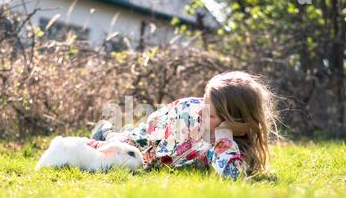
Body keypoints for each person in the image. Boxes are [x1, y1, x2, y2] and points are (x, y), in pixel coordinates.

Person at [89, 71, 278, 180]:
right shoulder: (189, 112)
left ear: (236, 122)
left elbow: (233, 176)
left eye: (210, 115)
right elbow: (154, 137)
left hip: (169, 150)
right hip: (153, 138)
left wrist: (225, 138)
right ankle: (106, 132)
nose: (201, 112)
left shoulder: (228, 144)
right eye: (203, 103)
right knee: (123, 146)